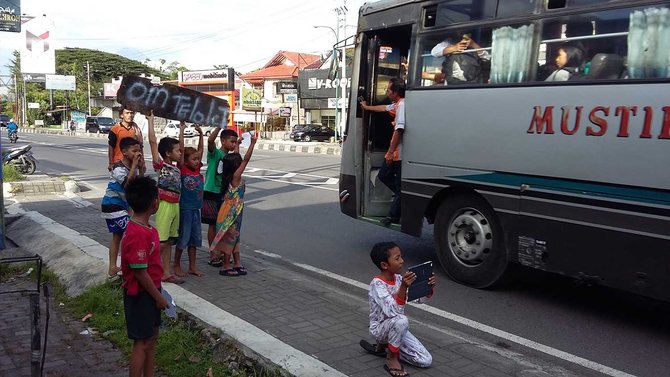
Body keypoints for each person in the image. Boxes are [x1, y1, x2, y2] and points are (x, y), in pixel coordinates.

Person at [120, 176, 168, 377]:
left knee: (152, 336)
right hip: (140, 294)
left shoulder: (146, 229)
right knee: (142, 342)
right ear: (154, 203)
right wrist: (158, 298)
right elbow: (139, 272)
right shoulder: (138, 234)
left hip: (151, 290)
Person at [364, 242, 435, 376]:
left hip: (397, 328)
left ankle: (387, 346)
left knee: (425, 361)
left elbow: (417, 299)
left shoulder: (398, 279)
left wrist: (427, 288)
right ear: (384, 265)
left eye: (401, 257)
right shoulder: (377, 284)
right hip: (379, 329)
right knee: (401, 320)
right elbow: (394, 312)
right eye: (397, 258)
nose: (402, 261)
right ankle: (391, 358)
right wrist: (403, 287)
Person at [210, 131, 258, 276]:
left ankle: (237, 263)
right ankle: (226, 265)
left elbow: (236, 158)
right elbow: (245, 160)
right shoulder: (236, 178)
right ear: (236, 167)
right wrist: (253, 144)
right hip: (231, 213)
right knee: (229, 238)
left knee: (235, 238)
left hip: (235, 212)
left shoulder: (230, 174)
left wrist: (238, 143)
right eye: (239, 164)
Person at [360, 77, 405, 227]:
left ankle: (392, 215)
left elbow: (399, 130)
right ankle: (402, 198)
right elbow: (383, 108)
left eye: (388, 90)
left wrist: (390, 152)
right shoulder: (397, 105)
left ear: (396, 92)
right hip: (396, 154)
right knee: (384, 176)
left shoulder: (403, 106)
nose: (386, 92)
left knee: (397, 185)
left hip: (400, 154)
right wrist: (367, 108)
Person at [147, 113, 184, 284]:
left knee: (169, 241)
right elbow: (153, 143)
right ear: (168, 154)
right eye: (177, 151)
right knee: (161, 241)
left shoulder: (176, 168)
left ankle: (166, 273)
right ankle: (145, 266)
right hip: (164, 206)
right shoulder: (161, 166)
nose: (180, 152)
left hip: (175, 205)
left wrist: (182, 130)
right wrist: (151, 122)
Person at [101, 137, 145, 279]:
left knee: (118, 236)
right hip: (112, 205)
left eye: (139, 150)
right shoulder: (118, 168)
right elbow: (127, 185)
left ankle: (113, 267)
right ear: (124, 152)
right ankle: (124, 265)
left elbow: (137, 186)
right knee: (129, 233)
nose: (137, 153)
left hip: (122, 205)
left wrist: (141, 169)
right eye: (134, 151)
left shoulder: (131, 167)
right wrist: (134, 167)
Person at [202, 125, 239, 266]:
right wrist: (218, 125)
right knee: (212, 224)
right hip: (211, 191)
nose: (234, 144)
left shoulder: (230, 157)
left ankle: (222, 252)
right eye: (232, 141)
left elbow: (237, 159)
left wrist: (238, 146)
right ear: (223, 141)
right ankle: (213, 253)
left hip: (224, 194)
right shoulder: (215, 154)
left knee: (223, 224)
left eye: (235, 142)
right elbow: (210, 141)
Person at [173, 122, 205, 278]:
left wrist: (200, 134)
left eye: (198, 159)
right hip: (185, 209)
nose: (197, 161)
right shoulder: (183, 169)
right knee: (183, 238)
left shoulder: (197, 169)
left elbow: (200, 150)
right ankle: (176, 264)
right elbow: (181, 149)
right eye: (194, 159)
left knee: (195, 239)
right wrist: (182, 131)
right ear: (185, 161)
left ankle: (193, 266)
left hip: (196, 210)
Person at [108, 106, 144, 171]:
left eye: (131, 113)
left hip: (133, 163)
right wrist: (111, 163)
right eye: (127, 113)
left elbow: (140, 147)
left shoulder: (136, 130)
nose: (130, 115)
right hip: (119, 163)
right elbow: (111, 147)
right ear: (121, 115)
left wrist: (142, 162)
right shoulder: (115, 129)